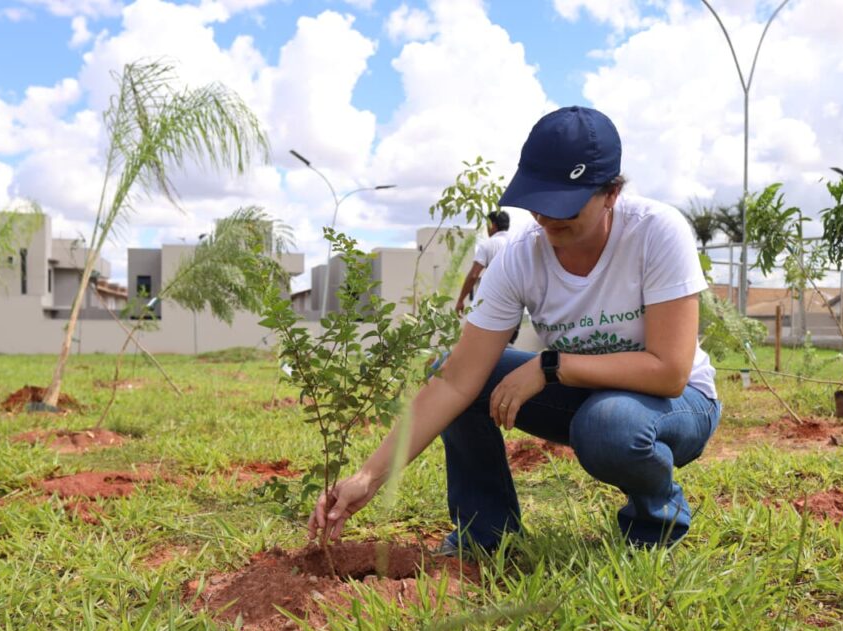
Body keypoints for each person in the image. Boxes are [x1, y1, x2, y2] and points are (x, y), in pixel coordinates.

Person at [309, 106, 721, 552]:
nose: (547, 218)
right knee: (461, 370)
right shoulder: (519, 256)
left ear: (611, 193)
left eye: (566, 204)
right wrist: (368, 477)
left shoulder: (656, 233)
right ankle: (486, 534)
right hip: (586, 396)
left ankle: (654, 524)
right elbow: (454, 383)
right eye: (539, 201)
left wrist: (551, 365)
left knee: (609, 424)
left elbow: (669, 370)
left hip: (676, 404)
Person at [455, 210, 511, 317]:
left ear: (493, 225)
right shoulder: (516, 243)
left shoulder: (488, 245)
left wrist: (461, 300)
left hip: (495, 303)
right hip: (516, 304)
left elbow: (474, 275)